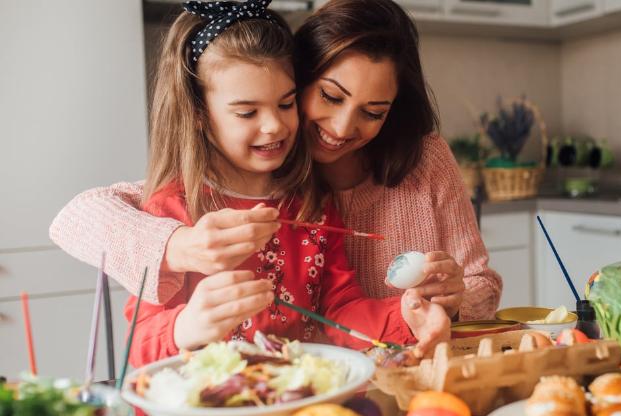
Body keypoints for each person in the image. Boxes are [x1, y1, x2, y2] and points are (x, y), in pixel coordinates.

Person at [49, 0, 501, 323]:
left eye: (373, 112)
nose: (343, 128)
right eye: (329, 96)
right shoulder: (222, 185)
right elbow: (78, 216)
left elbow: (478, 286)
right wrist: (177, 247)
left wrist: (450, 299)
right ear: (298, 78)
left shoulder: (401, 167)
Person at [101, 0, 450, 367]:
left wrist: (404, 317)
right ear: (199, 114)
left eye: (285, 104)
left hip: (295, 406)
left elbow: (340, 309)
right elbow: (137, 348)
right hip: (206, 414)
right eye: (247, 112)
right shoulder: (171, 212)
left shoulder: (309, 201)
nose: (274, 126)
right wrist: (184, 326)